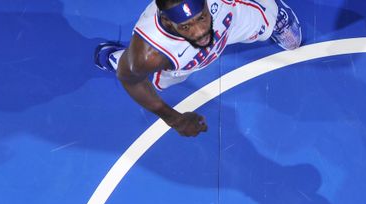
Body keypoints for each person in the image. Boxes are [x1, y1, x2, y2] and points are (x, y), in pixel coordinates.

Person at [93, 0, 302, 137]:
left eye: (201, 18)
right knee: (137, 72)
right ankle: (120, 58)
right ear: (167, 21)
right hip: (177, 62)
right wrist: (175, 120)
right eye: (186, 25)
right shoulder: (150, 54)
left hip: (231, 20)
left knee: (261, 17)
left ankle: (274, 15)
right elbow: (131, 80)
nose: (201, 32)